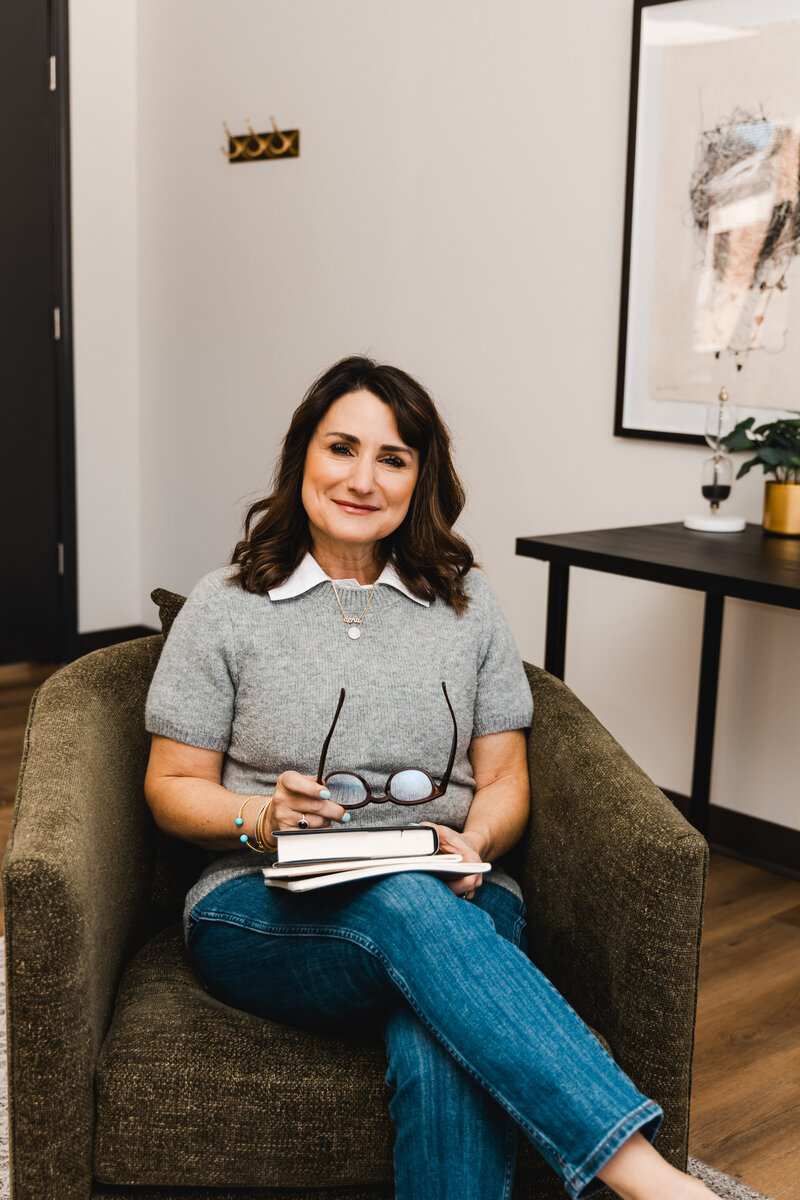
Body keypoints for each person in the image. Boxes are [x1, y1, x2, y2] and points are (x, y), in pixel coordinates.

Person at [144, 356, 712, 1200]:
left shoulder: (467, 603)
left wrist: (475, 840)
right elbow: (170, 785)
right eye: (342, 448)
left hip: (459, 893)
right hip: (260, 904)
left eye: (394, 458)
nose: (363, 479)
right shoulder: (226, 604)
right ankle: (651, 1180)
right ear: (303, 455)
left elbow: (506, 777)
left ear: (421, 477)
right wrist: (262, 816)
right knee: (406, 903)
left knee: (440, 1028)